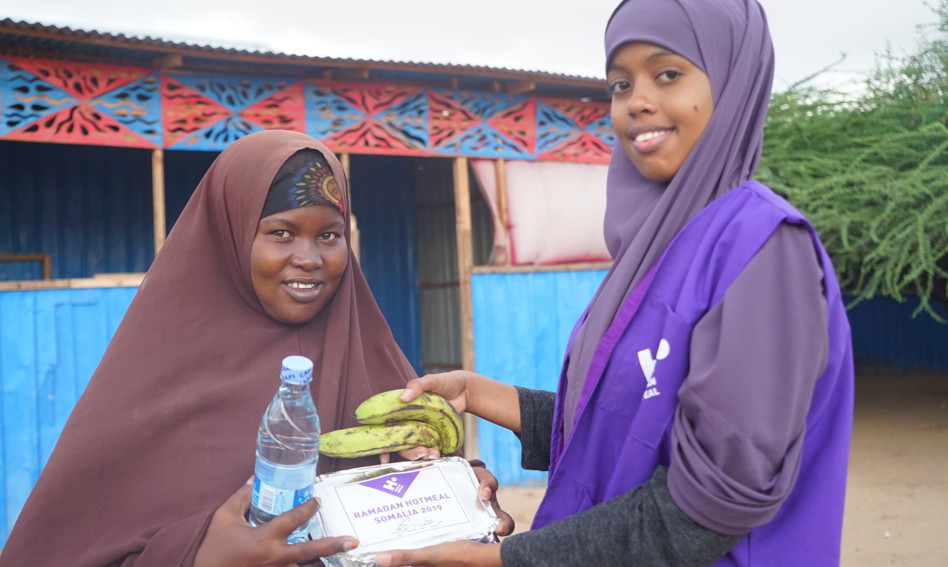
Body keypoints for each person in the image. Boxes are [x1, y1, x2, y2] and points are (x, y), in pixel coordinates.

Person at [374, 1, 855, 566]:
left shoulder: (763, 246)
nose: (637, 102)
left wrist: (506, 560)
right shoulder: (661, 248)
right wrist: (477, 394)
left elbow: (711, 503)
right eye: (620, 84)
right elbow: (628, 424)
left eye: (667, 73)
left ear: (732, 80)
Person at [0, 130, 510, 566]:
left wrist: (467, 497)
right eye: (281, 233)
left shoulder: (372, 359)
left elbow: (414, 502)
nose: (309, 259)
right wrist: (197, 554)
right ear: (230, 236)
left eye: (329, 235)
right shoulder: (149, 381)